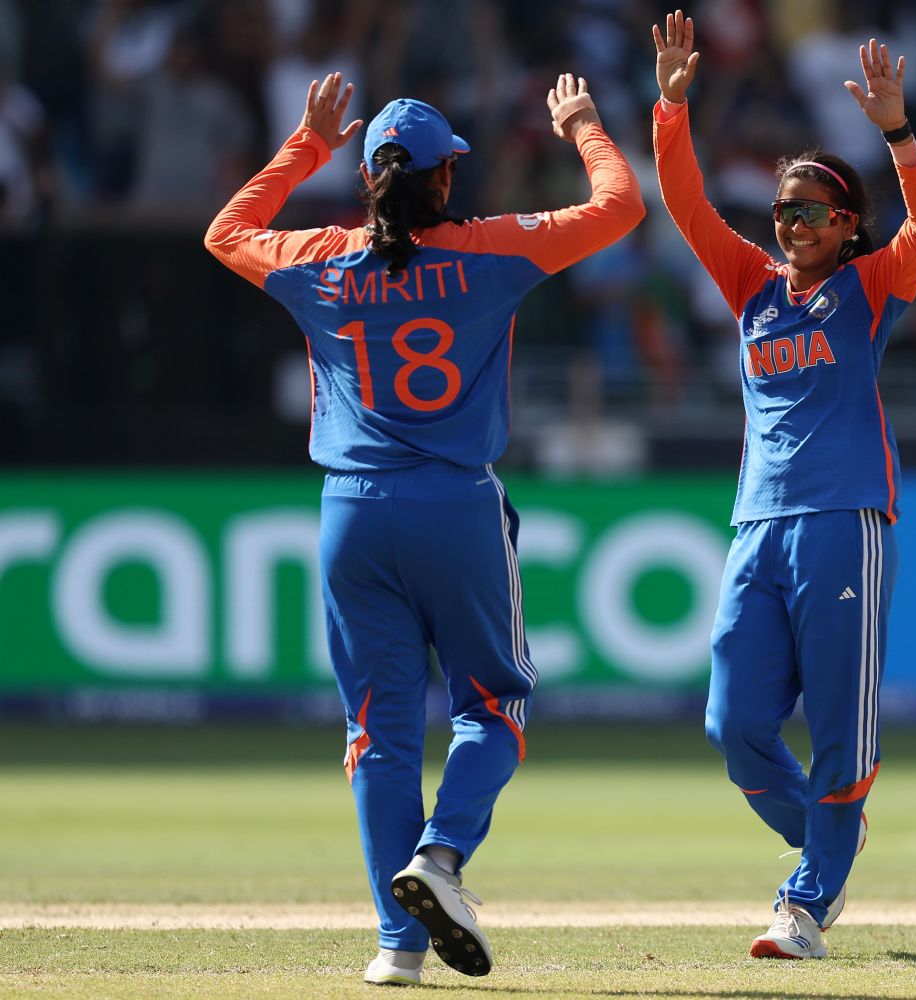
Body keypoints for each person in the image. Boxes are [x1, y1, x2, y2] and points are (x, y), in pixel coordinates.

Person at [205, 70, 643, 985]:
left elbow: (225, 235)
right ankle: (439, 860)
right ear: (445, 179)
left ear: (370, 179)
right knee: (494, 706)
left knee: (378, 735)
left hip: (352, 514)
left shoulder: (320, 258)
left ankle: (396, 949)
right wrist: (585, 126)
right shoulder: (493, 251)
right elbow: (620, 205)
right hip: (456, 506)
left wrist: (304, 147)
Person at [651, 10, 916, 960]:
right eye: (784, 211)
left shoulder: (870, 288)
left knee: (838, 728)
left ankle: (808, 901)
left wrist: (900, 137)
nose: (792, 225)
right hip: (757, 527)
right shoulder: (752, 287)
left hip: (844, 523)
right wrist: (669, 109)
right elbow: (688, 205)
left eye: (813, 212)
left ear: (847, 226)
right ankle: (834, 834)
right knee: (733, 725)